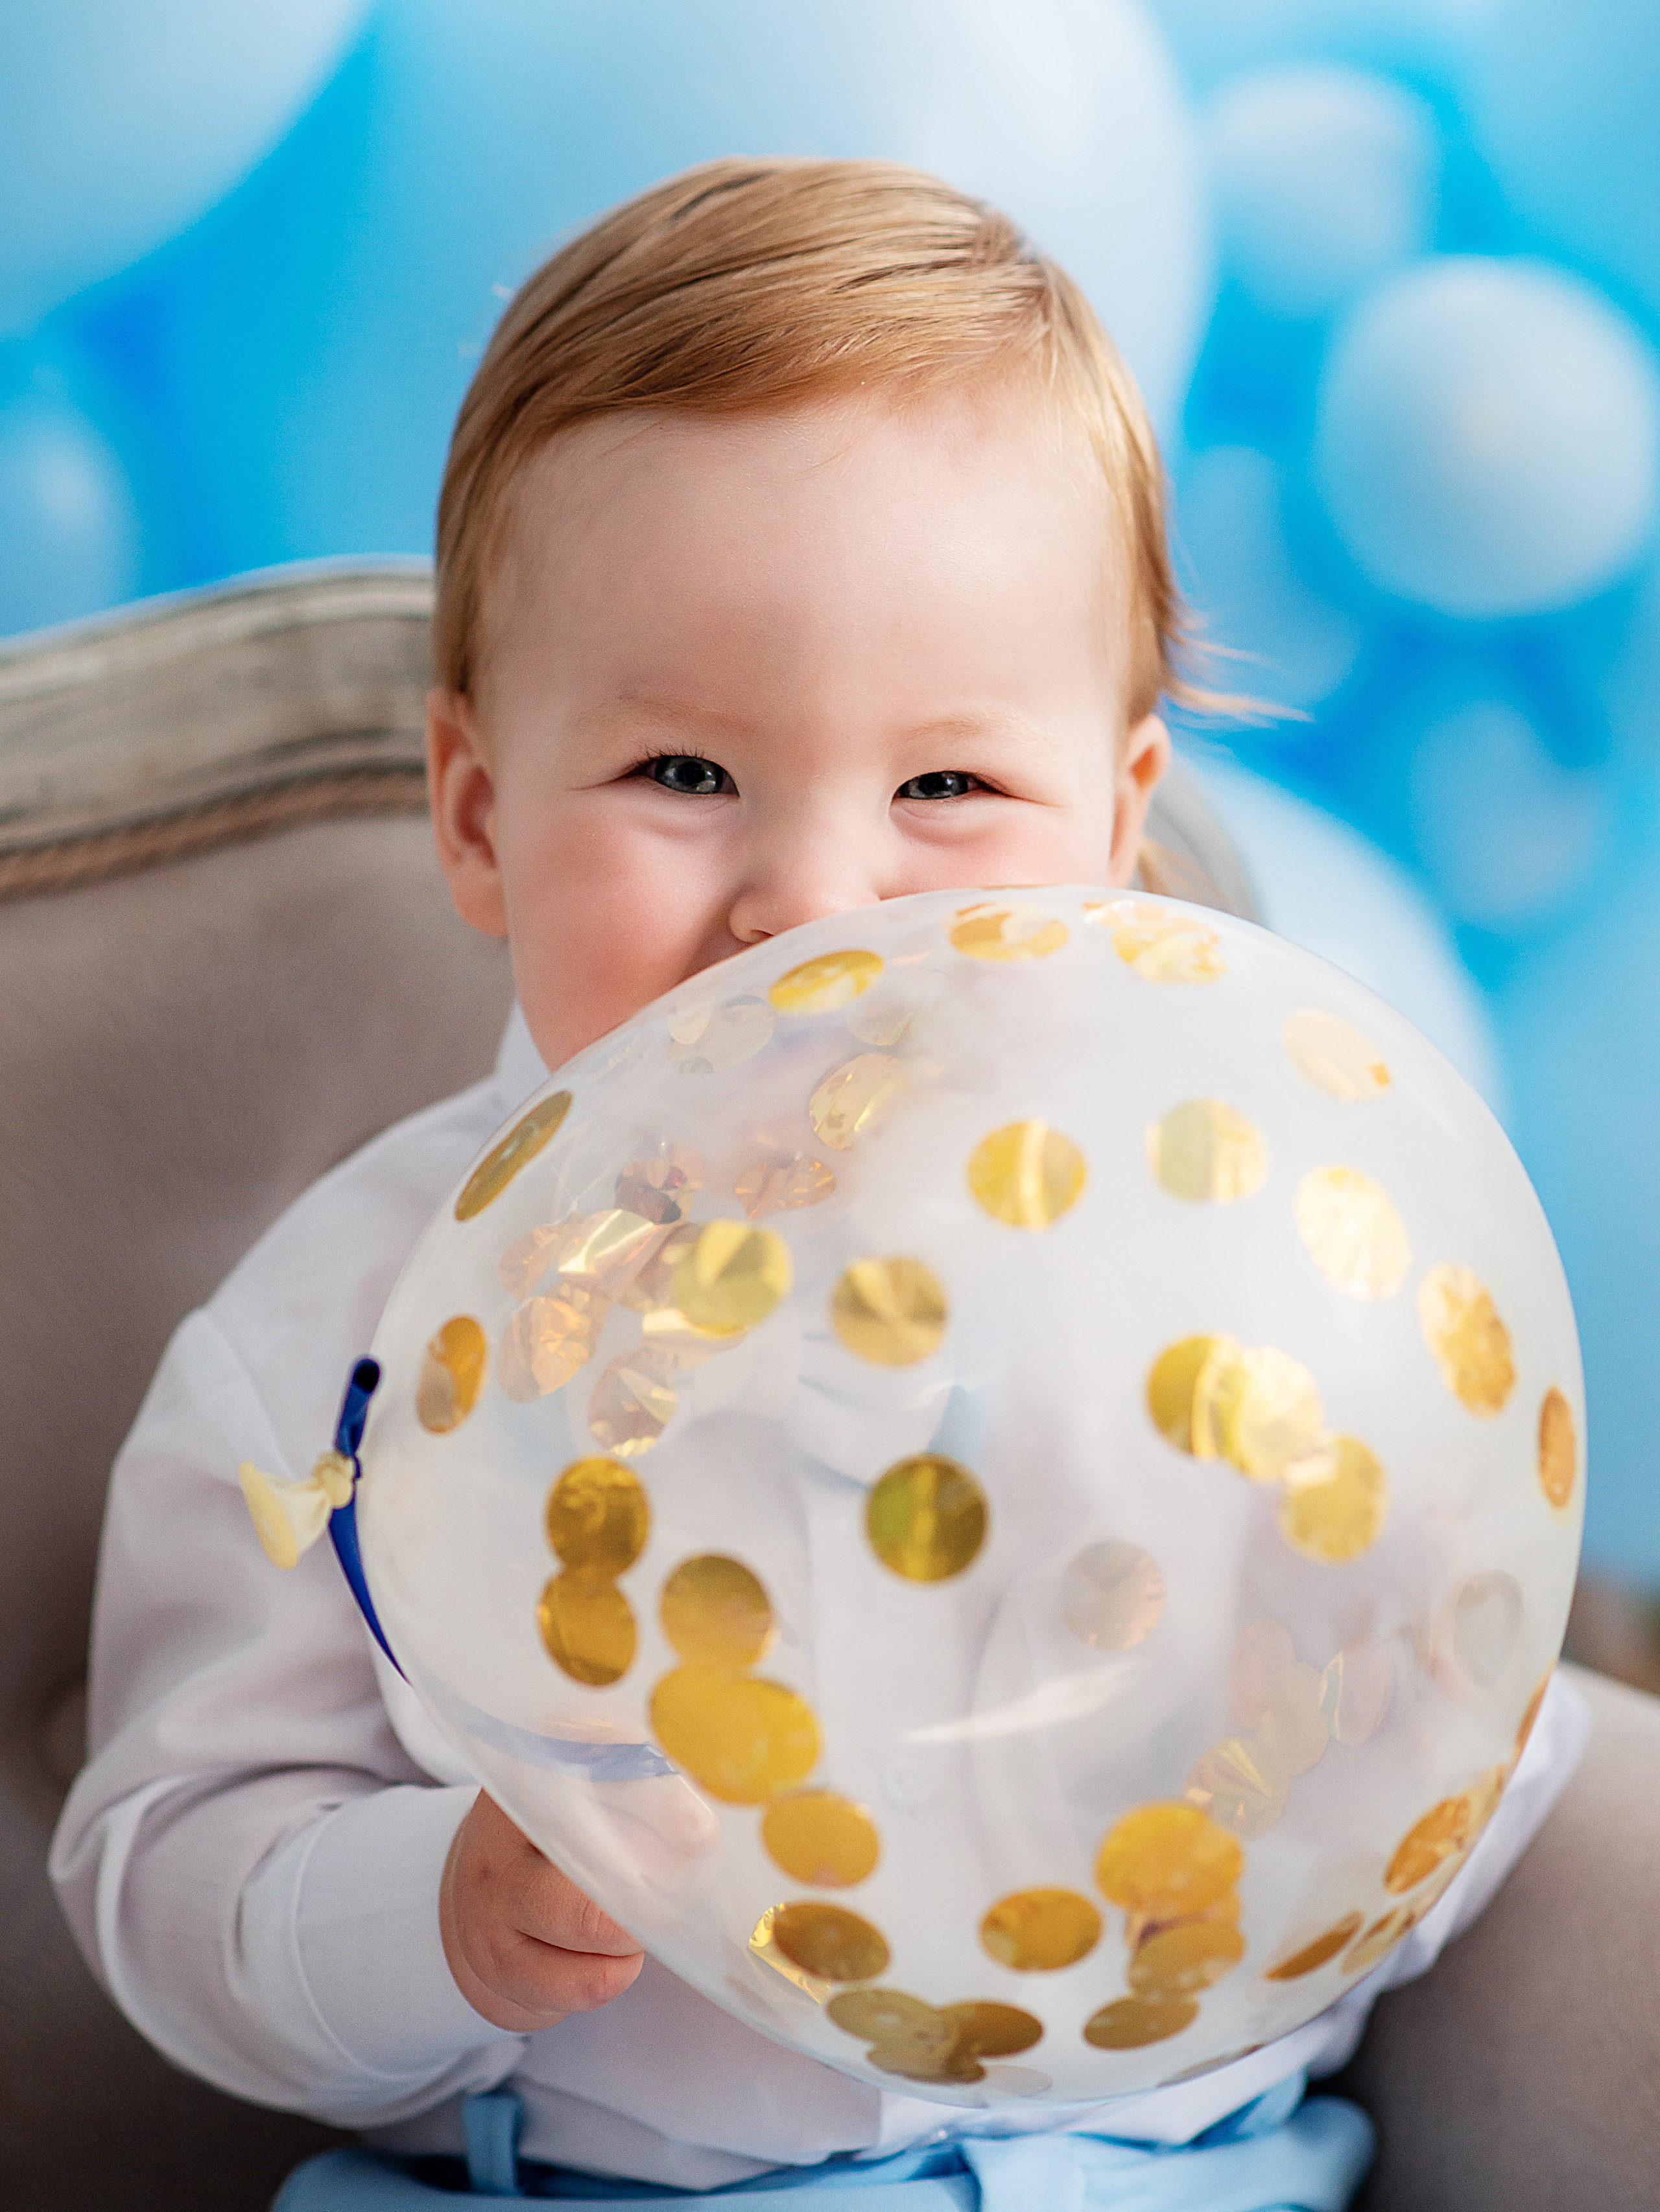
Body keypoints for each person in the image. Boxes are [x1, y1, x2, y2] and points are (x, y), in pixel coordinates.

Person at [50, 159, 1585, 2209]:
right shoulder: (340, 1336)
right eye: (684, 775)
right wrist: (439, 1906)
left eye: (946, 785)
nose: (812, 907)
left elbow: (1442, 1670)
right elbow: (163, 1873)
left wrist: (1405, 1710)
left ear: (1119, 827)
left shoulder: (1237, 1273)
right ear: (483, 813)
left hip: (1173, 2167)